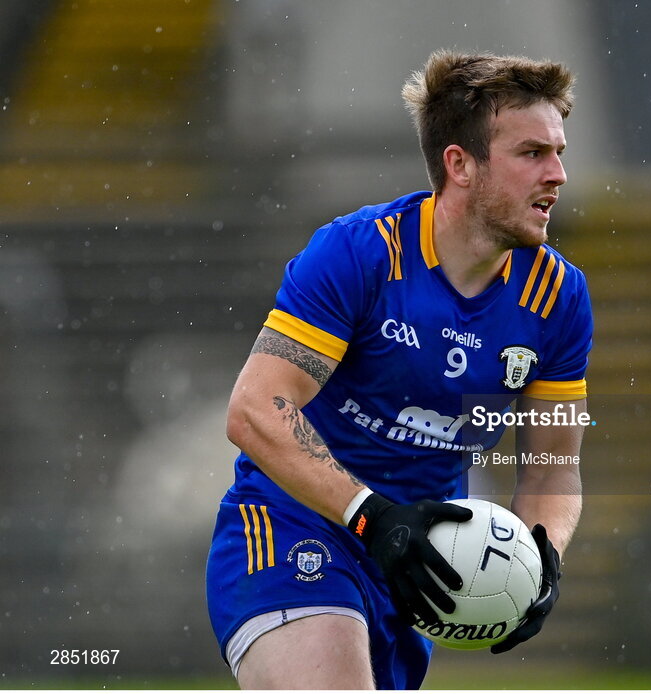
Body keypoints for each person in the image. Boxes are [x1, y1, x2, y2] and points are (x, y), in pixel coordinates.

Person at [205, 49, 592, 690]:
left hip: (416, 564)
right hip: (293, 530)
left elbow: (554, 462)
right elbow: (255, 410)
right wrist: (370, 515)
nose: (557, 174)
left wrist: (540, 556)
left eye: (559, 151)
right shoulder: (360, 255)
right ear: (459, 164)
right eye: (531, 154)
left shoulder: (558, 298)